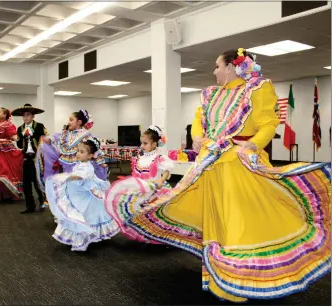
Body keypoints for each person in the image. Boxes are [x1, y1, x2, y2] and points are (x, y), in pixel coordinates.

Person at [117, 48, 331, 302]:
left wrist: (253, 144)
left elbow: (268, 124)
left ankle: (238, 278)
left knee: (237, 222)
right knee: (216, 218)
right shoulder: (211, 94)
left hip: (238, 166)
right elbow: (199, 120)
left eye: (217, 66)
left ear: (231, 67)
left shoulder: (257, 89)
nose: (214, 71)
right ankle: (219, 273)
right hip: (211, 166)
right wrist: (197, 136)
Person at [45, 138, 119, 251]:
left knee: (82, 214)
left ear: (90, 156)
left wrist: (64, 177)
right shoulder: (80, 164)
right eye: (78, 151)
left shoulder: (88, 167)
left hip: (83, 196)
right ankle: (82, 234)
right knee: (78, 213)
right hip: (78, 193)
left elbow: (79, 176)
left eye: (82, 152)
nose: (78, 154)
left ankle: (84, 236)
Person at [105, 126, 174, 243]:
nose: (142, 146)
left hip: (154, 190)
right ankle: (143, 234)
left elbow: (167, 171)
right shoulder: (139, 158)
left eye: (145, 143)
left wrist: (161, 181)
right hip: (141, 191)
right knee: (138, 213)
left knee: (154, 215)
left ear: (154, 144)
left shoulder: (159, 158)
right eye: (141, 143)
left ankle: (156, 235)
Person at [36, 109, 108, 194]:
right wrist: (48, 140)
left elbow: (94, 149)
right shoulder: (65, 134)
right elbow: (55, 138)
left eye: (71, 120)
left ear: (79, 122)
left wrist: (100, 162)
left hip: (80, 166)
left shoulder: (86, 135)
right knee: (68, 187)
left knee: (78, 187)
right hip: (66, 166)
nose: (68, 122)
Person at [12, 103, 47, 214]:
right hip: (26, 157)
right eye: (24, 115)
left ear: (33, 116)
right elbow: (20, 146)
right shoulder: (20, 128)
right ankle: (29, 206)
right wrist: (19, 138)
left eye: (28, 115)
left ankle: (42, 202)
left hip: (37, 158)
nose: (25, 117)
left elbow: (44, 141)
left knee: (37, 182)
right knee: (26, 183)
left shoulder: (39, 126)